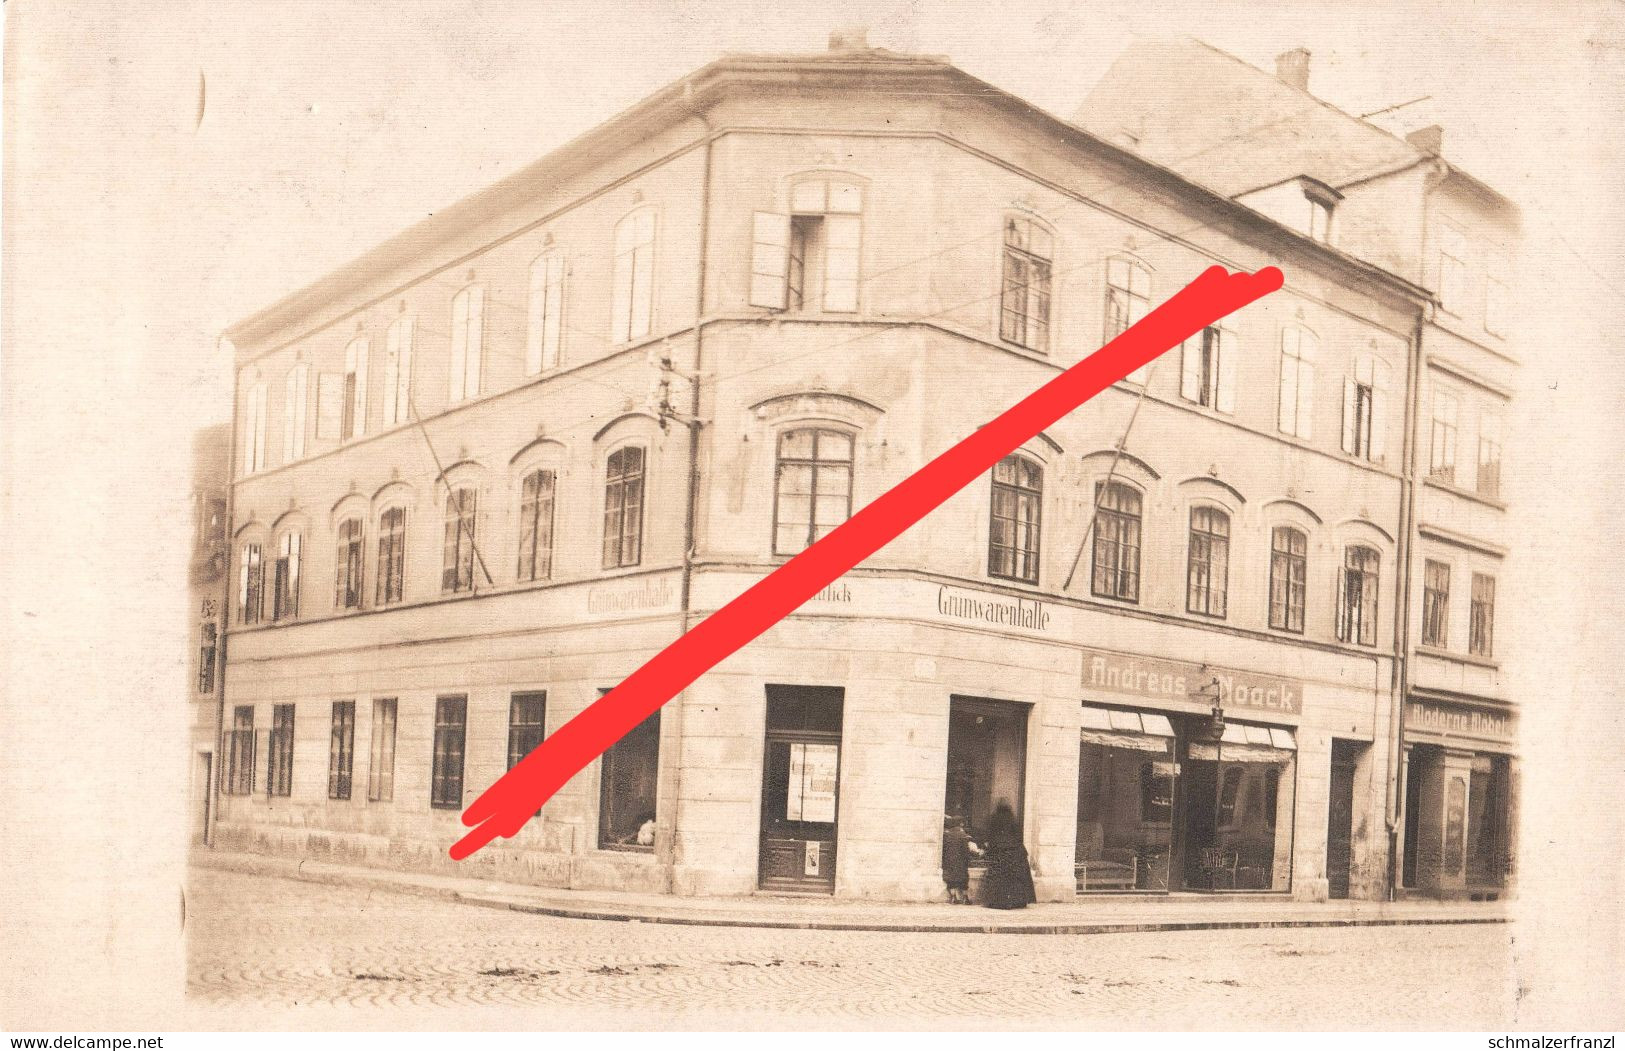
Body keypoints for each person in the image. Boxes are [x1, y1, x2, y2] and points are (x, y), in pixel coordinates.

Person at [979, 801, 1036, 910]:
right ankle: (1018, 901)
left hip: (1000, 851)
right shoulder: (1013, 820)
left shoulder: (994, 819)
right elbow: (1019, 836)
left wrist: (988, 848)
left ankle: (1000, 902)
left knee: (1001, 878)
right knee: (1016, 878)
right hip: (1016, 852)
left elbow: (990, 835)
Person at [941, 815, 982, 904]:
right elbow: (966, 850)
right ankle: (965, 898)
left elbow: (944, 849)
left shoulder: (946, 834)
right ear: (961, 824)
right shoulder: (964, 835)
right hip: (961, 862)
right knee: (963, 881)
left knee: (951, 880)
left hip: (949, 861)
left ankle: (953, 897)